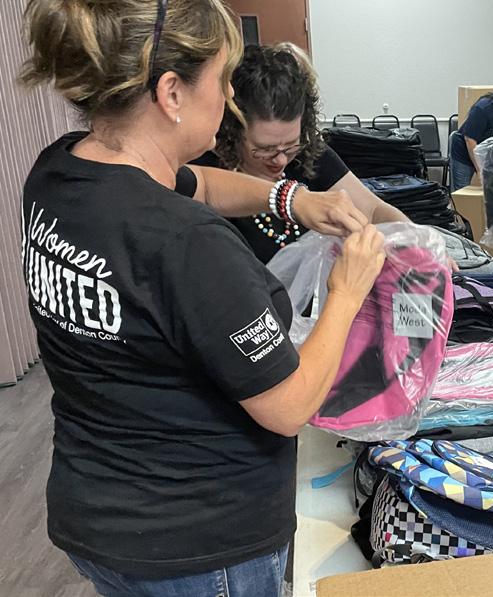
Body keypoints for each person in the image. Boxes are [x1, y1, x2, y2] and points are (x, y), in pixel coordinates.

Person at [19, 1, 386, 595]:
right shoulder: (188, 243)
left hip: (98, 517)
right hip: (201, 545)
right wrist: (347, 291)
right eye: (222, 80)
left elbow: (201, 184)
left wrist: (291, 199)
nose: (229, 98)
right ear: (171, 92)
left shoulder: (59, 172)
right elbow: (289, 406)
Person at [194, 43, 409, 264]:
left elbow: (373, 210)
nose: (280, 159)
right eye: (265, 149)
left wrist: (414, 243)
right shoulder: (205, 169)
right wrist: (292, 199)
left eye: (290, 145)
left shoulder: (308, 155)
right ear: (232, 131)